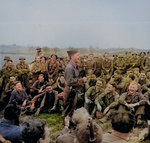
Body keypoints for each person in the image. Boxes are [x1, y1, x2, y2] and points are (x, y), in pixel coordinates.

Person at [63, 49, 87, 117]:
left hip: (74, 90)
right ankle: (67, 123)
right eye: (77, 55)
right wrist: (81, 80)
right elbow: (69, 81)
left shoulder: (74, 66)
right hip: (70, 91)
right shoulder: (70, 68)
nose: (79, 56)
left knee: (73, 107)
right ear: (72, 56)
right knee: (69, 108)